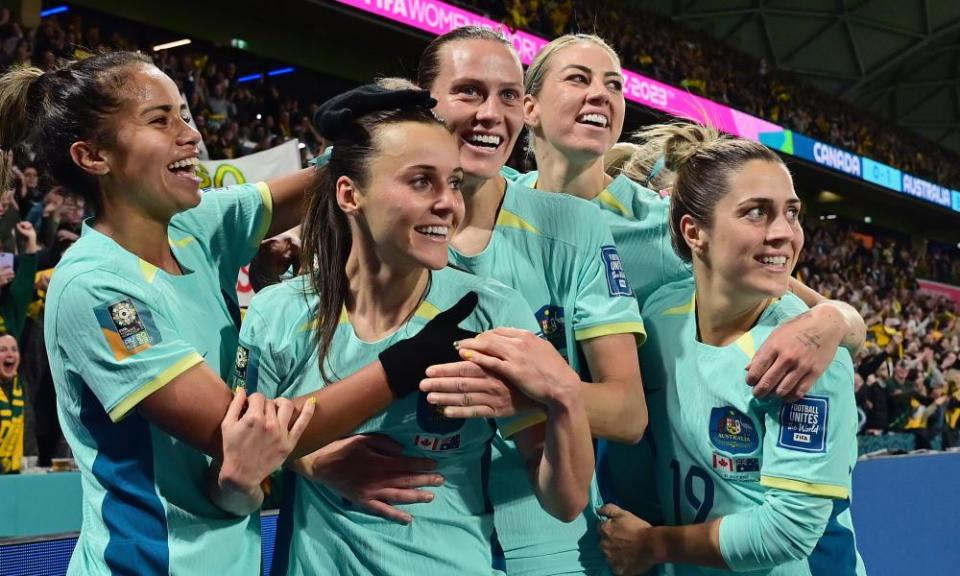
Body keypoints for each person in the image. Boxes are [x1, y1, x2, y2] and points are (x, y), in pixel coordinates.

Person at [0, 54, 488, 575]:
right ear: (93, 156)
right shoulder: (95, 287)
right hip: (147, 565)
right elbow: (243, 434)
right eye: (160, 120)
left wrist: (374, 130)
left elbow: (333, 181)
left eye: (185, 114)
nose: (190, 135)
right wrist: (404, 365)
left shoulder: (193, 227)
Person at [496, 33, 865, 526]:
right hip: (500, 477)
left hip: (626, 495)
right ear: (530, 108)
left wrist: (828, 321)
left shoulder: (663, 225)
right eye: (578, 79)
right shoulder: (494, 207)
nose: (600, 94)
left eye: (613, 84)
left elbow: (831, 316)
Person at [236, 80, 593, 575]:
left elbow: (565, 501)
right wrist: (310, 460)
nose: (449, 203)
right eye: (421, 181)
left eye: (453, 182)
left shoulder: (490, 313)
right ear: (349, 194)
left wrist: (566, 399)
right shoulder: (277, 315)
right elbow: (239, 470)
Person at [595, 123, 866, 575]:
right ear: (693, 232)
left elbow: (788, 531)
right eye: (757, 212)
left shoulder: (807, 356)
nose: (785, 233)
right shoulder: (659, 316)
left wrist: (652, 545)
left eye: (792, 213)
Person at [0, 332, 23, 473]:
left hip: (21, 472)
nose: (10, 354)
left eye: (14, 350)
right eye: (2, 350)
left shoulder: (25, 386)